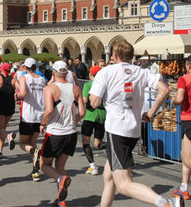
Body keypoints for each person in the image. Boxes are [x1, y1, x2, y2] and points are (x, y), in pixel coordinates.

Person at [89, 41, 183, 207]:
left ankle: (166, 203)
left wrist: (94, 95)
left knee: (124, 185)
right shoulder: (141, 71)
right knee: (108, 175)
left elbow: (94, 102)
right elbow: (165, 90)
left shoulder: (106, 72)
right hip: (133, 129)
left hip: (116, 130)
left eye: (112, 55)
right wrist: (152, 112)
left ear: (116, 56)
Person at [40, 60, 85, 206]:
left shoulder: (50, 88)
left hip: (55, 132)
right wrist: (74, 120)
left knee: (44, 165)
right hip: (71, 133)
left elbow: (49, 110)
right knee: (60, 166)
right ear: (67, 72)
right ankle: (61, 201)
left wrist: (42, 123)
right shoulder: (75, 88)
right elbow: (82, 112)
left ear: (53, 72)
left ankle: (60, 180)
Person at [16, 58, 46, 182]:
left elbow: (22, 93)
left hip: (27, 115)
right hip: (39, 116)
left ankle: (34, 151)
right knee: (33, 142)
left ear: (26, 67)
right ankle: (35, 172)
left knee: (23, 143)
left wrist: (16, 96)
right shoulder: (43, 80)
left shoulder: (24, 78)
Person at [171, 55, 191, 201]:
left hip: (188, 119)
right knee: (185, 153)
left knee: (187, 156)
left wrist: (173, 99)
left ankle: (184, 188)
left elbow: (179, 99)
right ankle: (184, 187)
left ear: (188, 65)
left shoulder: (183, 79)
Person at [81, 65, 107, 175]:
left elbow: (85, 100)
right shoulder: (105, 86)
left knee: (85, 142)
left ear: (91, 74)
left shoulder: (88, 85)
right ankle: (109, 147)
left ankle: (92, 166)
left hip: (89, 115)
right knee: (97, 143)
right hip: (102, 115)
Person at [0, 62, 17, 158]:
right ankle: (0, 150)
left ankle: (8, 136)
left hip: (1, 105)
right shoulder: (13, 80)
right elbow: (19, 90)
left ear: (1, 69)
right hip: (11, 106)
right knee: (3, 129)